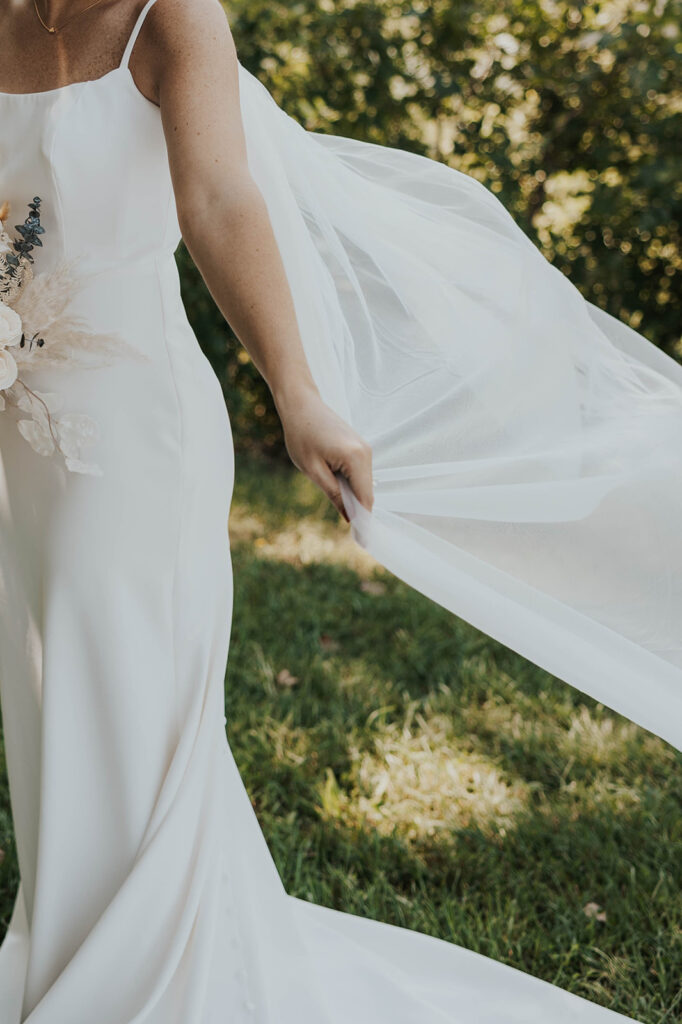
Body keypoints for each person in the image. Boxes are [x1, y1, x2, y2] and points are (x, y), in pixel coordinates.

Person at [0, 0, 678, 1021]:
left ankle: (152, 980)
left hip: (133, 434)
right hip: (17, 432)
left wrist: (300, 392)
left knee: (132, 702)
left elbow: (223, 199)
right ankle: (69, 944)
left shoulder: (169, 17)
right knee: (47, 701)